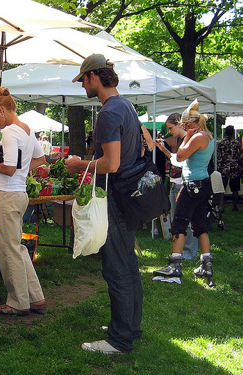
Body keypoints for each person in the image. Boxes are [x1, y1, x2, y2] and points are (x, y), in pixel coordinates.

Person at [65, 54, 143, 354]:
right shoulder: (125, 106)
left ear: (95, 76)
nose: (83, 85)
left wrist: (78, 164)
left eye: (83, 79)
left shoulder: (109, 113)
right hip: (127, 197)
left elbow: (110, 164)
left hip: (115, 198)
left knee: (117, 268)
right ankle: (129, 328)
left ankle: (119, 340)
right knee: (129, 265)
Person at [0, 87, 46, 316]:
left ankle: (18, 302)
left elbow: (8, 169)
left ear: (1, 110)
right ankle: (35, 296)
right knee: (17, 248)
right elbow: (40, 158)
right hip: (20, 195)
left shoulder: (9, 132)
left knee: (7, 250)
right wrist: (24, 171)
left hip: (7, 195)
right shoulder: (27, 130)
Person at [153, 99, 215, 287]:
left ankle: (175, 266)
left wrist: (187, 136)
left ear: (190, 123)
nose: (183, 127)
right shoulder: (208, 137)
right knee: (199, 226)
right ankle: (206, 264)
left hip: (192, 186)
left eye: (185, 124)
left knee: (179, 224)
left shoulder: (197, 137)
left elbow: (180, 155)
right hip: (201, 185)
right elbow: (179, 160)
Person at [156, 113, 199, 260]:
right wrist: (164, 151)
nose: (169, 131)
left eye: (171, 127)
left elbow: (183, 162)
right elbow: (178, 160)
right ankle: (181, 251)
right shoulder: (182, 139)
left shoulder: (189, 140)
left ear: (180, 124)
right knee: (177, 221)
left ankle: (189, 252)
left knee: (185, 220)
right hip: (176, 182)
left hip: (184, 183)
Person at [217, 125, 243, 212]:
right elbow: (240, 157)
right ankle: (235, 206)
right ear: (233, 132)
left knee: (222, 188)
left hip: (223, 168)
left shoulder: (221, 143)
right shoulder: (236, 143)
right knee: (235, 189)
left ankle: (221, 207)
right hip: (235, 169)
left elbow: (217, 156)